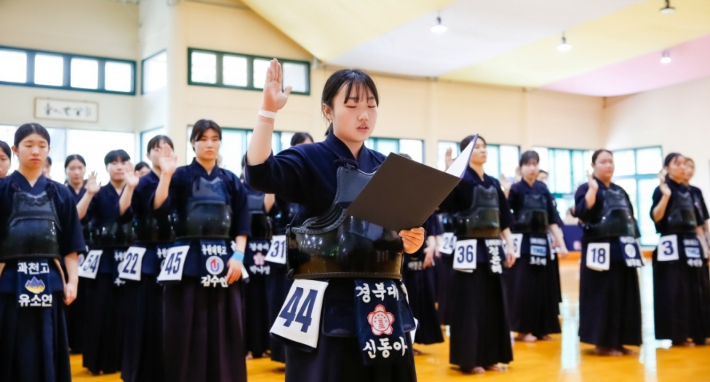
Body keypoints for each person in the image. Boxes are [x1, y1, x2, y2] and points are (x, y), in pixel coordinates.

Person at [245, 60, 424, 382]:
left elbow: (399, 232)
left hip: (381, 296)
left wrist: (410, 241)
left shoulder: (388, 167)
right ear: (328, 111)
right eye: (352, 105)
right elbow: (259, 173)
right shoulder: (308, 157)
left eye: (371, 105)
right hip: (324, 298)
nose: (364, 114)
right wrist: (267, 112)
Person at [153, 119, 250, 382]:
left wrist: (238, 257)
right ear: (193, 142)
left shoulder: (230, 180)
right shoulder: (181, 175)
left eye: (214, 138)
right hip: (187, 256)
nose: (209, 144)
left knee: (225, 324)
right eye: (203, 138)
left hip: (225, 255)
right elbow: (160, 208)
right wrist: (165, 175)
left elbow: (242, 222)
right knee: (184, 323)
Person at [0, 123, 84, 381]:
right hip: (8, 281)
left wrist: (73, 282)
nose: (36, 151)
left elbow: (71, 244)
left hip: (50, 280)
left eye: (42, 145)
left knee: (48, 346)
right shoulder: (2, 189)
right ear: (15, 149)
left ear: (48, 150)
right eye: (28, 145)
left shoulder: (60, 193)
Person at [440, 134, 516, 374]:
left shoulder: (494, 183)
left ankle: (491, 356)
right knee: (469, 303)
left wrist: (511, 246)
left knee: (493, 303)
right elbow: (444, 204)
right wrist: (449, 172)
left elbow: (504, 220)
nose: (482, 150)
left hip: (493, 247)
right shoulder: (460, 179)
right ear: (466, 154)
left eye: (484, 147)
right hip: (467, 247)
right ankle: (469, 359)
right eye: (477, 147)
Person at [117, 136, 175, 382]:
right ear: (149, 154)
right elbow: (122, 215)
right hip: (145, 253)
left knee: (170, 315)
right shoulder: (139, 181)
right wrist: (129, 188)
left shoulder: (179, 178)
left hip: (174, 253)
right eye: (156, 149)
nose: (162, 153)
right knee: (142, 314)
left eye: (167, 149)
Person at [575, 149, 642, 356]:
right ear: (593, 165)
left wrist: (636, 244)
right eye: (603, 162)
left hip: (623, 249)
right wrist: (592, 191)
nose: (608, 165)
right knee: (602, 295)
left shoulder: (620, 191)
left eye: (611, 162)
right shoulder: (586, 188)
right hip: (599, 248)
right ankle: (602, 342)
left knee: (624, 294)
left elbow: (630, 218)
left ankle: (621, 340)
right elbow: (582, 213)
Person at [81, 149, 134, 375]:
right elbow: (78, 218)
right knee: (100, 310)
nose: (119, 166)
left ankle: (126, 361)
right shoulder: (99, 193)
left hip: (131, 256)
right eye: (114, 162)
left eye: (123, 162)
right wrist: (89, 194)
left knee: (127, 311)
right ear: (107, 167)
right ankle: (99, 362)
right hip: (103, 258)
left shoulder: (136, 190)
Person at [507, 150, 568, 342]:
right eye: (528, 164)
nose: (532, 168)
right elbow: (507, 217)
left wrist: (562, 243)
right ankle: (523, 330)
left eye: (535, 164)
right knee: (524, 286)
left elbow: (551, 218)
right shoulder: (516, 189)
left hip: (542, 242)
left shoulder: (543, 189)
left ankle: (542, 328)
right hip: (523, 243)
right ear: (521, 167)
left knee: (544, 286)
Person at [263, 131, 313, 364]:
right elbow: (268, 207)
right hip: (284, 242)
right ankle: (282, 352)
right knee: (282, 297)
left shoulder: (318, 179)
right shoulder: (286, 176)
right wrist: (271, 179)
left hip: (310, 245)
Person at [650, 153, 710, 346]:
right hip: (671, 243)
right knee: (677, 291)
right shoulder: (662, 190)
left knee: (699, 288)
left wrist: (705, 246)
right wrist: (666, 196)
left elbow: (699, 224)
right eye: (677, 164)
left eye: (684, 163)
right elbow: (656, 217)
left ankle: (700, 333)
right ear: (667, 168)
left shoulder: (693, 192)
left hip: (692, 242)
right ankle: (679, 335)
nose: (683, 167)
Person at [241, 154, 275, 359]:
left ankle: (263, 345)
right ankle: (246, 346)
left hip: (266, 248)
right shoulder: (238, 188)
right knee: (248, 300)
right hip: (245, 249)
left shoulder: (269, 188)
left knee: (265, 299)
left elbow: (268, 210)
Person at [63, 154, 91, 354]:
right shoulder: (61, 191)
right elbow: (75, 216)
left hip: (90, 250)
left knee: (85, 298)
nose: (76, 172)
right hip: (67, 250)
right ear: (66, 171)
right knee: (67, 296)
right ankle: (66, 340)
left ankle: (81, 341)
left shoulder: (93, 191)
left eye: (80, 167)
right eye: (72, 168)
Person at [683, 157, 710, 339]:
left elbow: (703, 222)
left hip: (700, 239)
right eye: (686, 166)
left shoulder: (696, 192)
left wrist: (707, 242)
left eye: (692, 167)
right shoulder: (673, 191)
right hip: (686, 242)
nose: (689, 170)